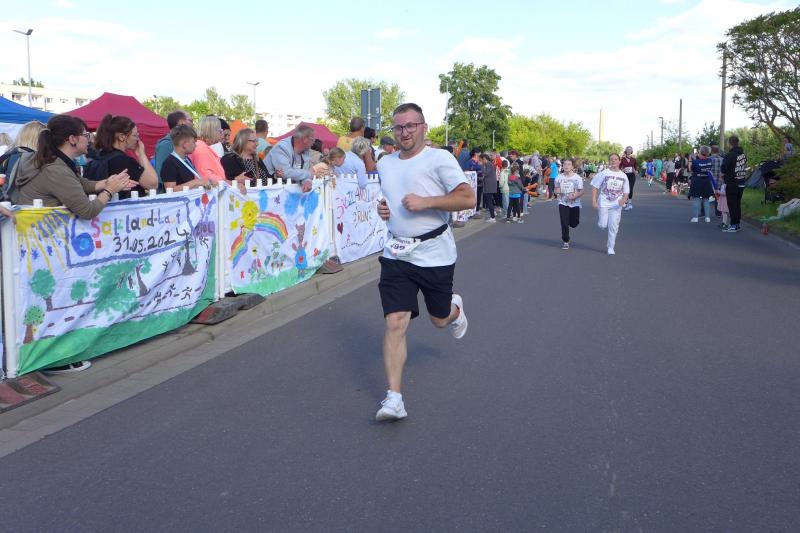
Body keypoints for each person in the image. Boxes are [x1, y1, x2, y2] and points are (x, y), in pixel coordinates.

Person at [374, 103, 473, 421]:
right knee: (395, 321)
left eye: (410, 126)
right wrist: (383, 209)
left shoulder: (439, 158)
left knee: (439, 319)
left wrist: (427, 202)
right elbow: (390, 197)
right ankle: (394, 399)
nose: (404, 132)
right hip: (397, 253)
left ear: (423, 127)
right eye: (398, 127)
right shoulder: (385, 163)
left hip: (435, 253)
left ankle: (454, 311)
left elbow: (467, 197)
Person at [93, 114, 158, 197]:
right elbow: (153, 184)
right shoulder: (123, 161)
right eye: (135, 135)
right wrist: (141, 154)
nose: (137, 139)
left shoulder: (98, 156)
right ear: (122, 137)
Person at [264, 124, 324, 193]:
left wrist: (307, 181)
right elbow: (286, 173)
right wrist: (309, 174)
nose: (313, 142)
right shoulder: (281, 148)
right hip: (269, 192)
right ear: (305, 139)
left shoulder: (305, 151)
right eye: (312, 139)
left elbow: (304, 172)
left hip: (285, 192)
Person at [591, 153, 629, 255]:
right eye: (611, 159)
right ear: (609, 161)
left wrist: (624, 200)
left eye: (616, 159)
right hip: (604, 202)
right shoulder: (604, 173)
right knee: (603, 224)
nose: (613, 161)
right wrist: (594, 200)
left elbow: (626, 191)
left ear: (619, 161)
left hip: (616, 204)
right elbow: (595, 186)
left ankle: (610, 247)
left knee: (613, 226)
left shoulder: (623, 176)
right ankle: (602, 222)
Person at [160, 125, 209, 191]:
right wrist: (195, 182)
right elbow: (170, 190)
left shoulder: (187, 159)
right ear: (185, 144)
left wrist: (207, 182)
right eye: (193, 142)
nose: (195, 145)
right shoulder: (169, 163)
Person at [555, 158, 584, 249]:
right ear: (562, 166)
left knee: (574, 223)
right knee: (564, 222)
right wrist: (557, 191)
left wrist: (575, 196)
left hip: (575, 203)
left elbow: (582, 191)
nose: (566, 166)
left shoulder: (577, 178)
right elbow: (556, 190)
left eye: (569, 164)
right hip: (563, 202)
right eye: (565, 164)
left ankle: (572, 223)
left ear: (572, 167)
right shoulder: (558, 177)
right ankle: (566, 240)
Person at [154, 110, 192, 179]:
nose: (192, 124)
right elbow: (161, 176)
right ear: (181, 122)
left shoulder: (178, 142)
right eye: (190, 120)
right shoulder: (166, 145)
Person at [721, 135, 747, 233]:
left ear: (729, 143)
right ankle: (737, 224)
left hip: (732, 182)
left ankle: (733, 225)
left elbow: (723, 168)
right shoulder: (743, 155)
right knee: (737, 204)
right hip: (741, 181)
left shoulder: (730, 155)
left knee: (732, 205)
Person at [189, 116, 226, 183]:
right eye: (220, 131)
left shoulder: (201, 145)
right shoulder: (200, 147)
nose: (222, 133)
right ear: (212, 131)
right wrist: (226, 183)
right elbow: (205, 174)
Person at [689, 145, 715, 223]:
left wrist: (690, 160)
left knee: (696, 199)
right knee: (706, 199)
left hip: (697, 182)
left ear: (700, 152)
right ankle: (707, 217)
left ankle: (695, 217)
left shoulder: (695, 162)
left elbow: (690, 170)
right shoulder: (710, 161)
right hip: (706, 182)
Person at [480, 153, 498, 223]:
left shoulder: (489, 164)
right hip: (490, 185)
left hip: (489, 186)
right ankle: (493, 213)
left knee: (489, 201)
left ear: (484, 159)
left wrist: (481, 166)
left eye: (481, 160)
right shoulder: (489, 164)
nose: (481, 161)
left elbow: (486, 173)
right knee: (490, 201)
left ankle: (492, 217)